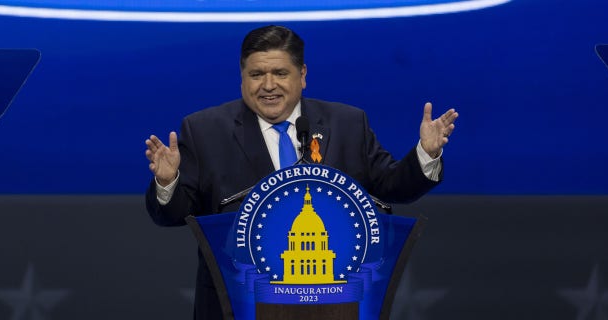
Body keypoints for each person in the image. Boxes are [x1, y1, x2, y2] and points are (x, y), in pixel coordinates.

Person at [145, 25, 458, 319]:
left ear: (302, 75)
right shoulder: (204, 130)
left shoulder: (347, 124)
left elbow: (391, 186)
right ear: (242, 78)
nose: (268, 85)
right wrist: (167, 181)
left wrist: (425, 154)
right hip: (240, 305)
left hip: (333, 306)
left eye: (281, 73)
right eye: (256, 74)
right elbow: (174, 214)